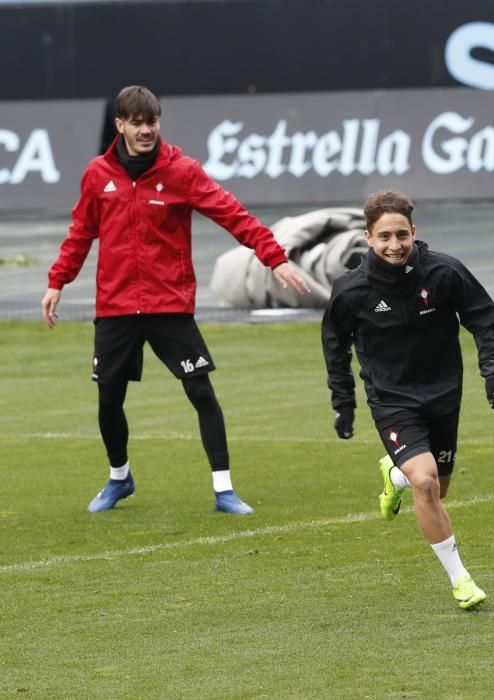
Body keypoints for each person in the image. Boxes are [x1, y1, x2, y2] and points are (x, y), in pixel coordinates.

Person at [42, 85, 310, 514]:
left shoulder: (182, 171)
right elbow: (80, 232)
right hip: (115, 307)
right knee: (109, 398)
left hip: (169, 305)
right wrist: (58, 281)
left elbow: (232, 214)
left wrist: (274, 259)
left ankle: (224, 490)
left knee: (201, 392)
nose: (146, 130)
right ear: (120, 126)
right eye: (137, 123)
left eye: (152, 122)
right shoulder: (97, 174)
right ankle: (119, 479)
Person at [321, 189, 494, 610]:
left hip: (444, 394)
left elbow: (484, 319)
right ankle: (461, 581)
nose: (394, 245)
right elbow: (335, 348)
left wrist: (493, 371)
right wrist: (343, 403)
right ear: (368, 237)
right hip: (391, 399)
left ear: (413, 232)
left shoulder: (444, 272)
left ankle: (396, 474)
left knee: (438, 487)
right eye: (384, 237)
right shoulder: (351, 290)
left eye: (401, 235)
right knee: (427, 483)